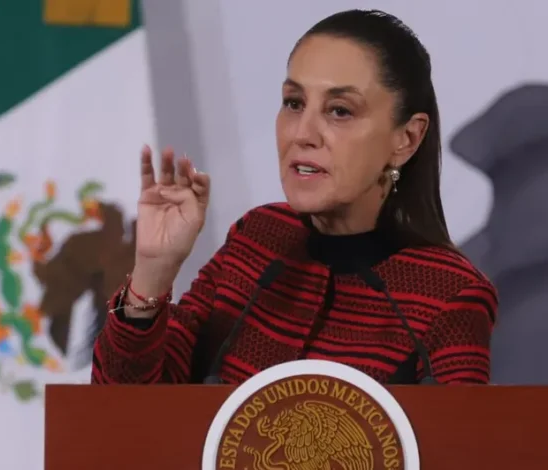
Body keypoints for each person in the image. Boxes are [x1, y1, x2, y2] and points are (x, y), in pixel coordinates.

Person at [90, 9, 498, 386]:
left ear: (406, 138)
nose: (302, 133)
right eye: (294, 103)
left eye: (340, 110)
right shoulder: (256, 239)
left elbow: (460, 435)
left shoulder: (449, 294)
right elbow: (125, 411)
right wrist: (152, 273)